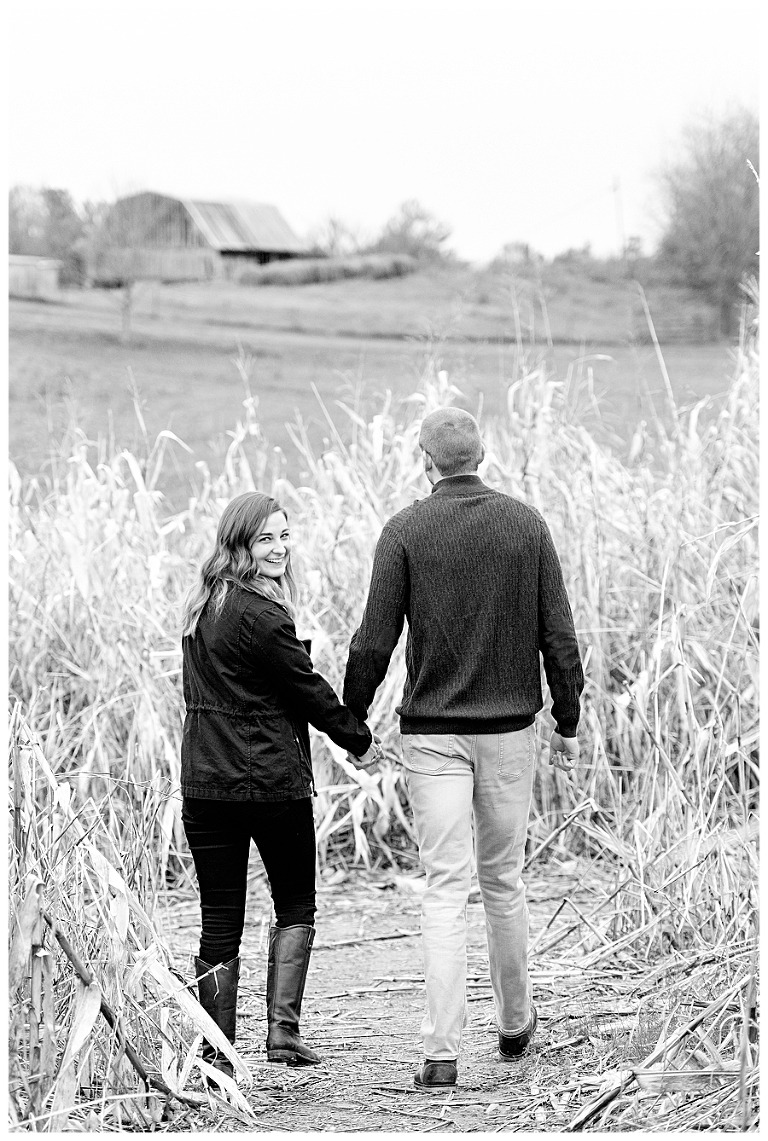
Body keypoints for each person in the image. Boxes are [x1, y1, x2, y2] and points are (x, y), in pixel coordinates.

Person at [342, 408, 584, 1091]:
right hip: (509, 732)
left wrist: (350, 720)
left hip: (433, 736)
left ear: (426, 460)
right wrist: (567, 719)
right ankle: (514, 1023)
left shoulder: (404, 530)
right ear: (484, 454)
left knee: (444, 888)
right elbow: (559, 636)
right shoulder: (526, 525)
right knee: (503, 880)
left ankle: (441, 1052)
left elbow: (374, 640)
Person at [180, 491, 380, 1081]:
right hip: (270, 784)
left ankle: (216, 1050)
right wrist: (359, 739)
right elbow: (307, 689)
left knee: (219, 916)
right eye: (265, 538)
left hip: (206, 784)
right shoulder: (262, 615)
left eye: (284, 536)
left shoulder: (202, 607)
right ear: (239, 544)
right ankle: (283, 1035)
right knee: (294, 903)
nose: (279, 549)